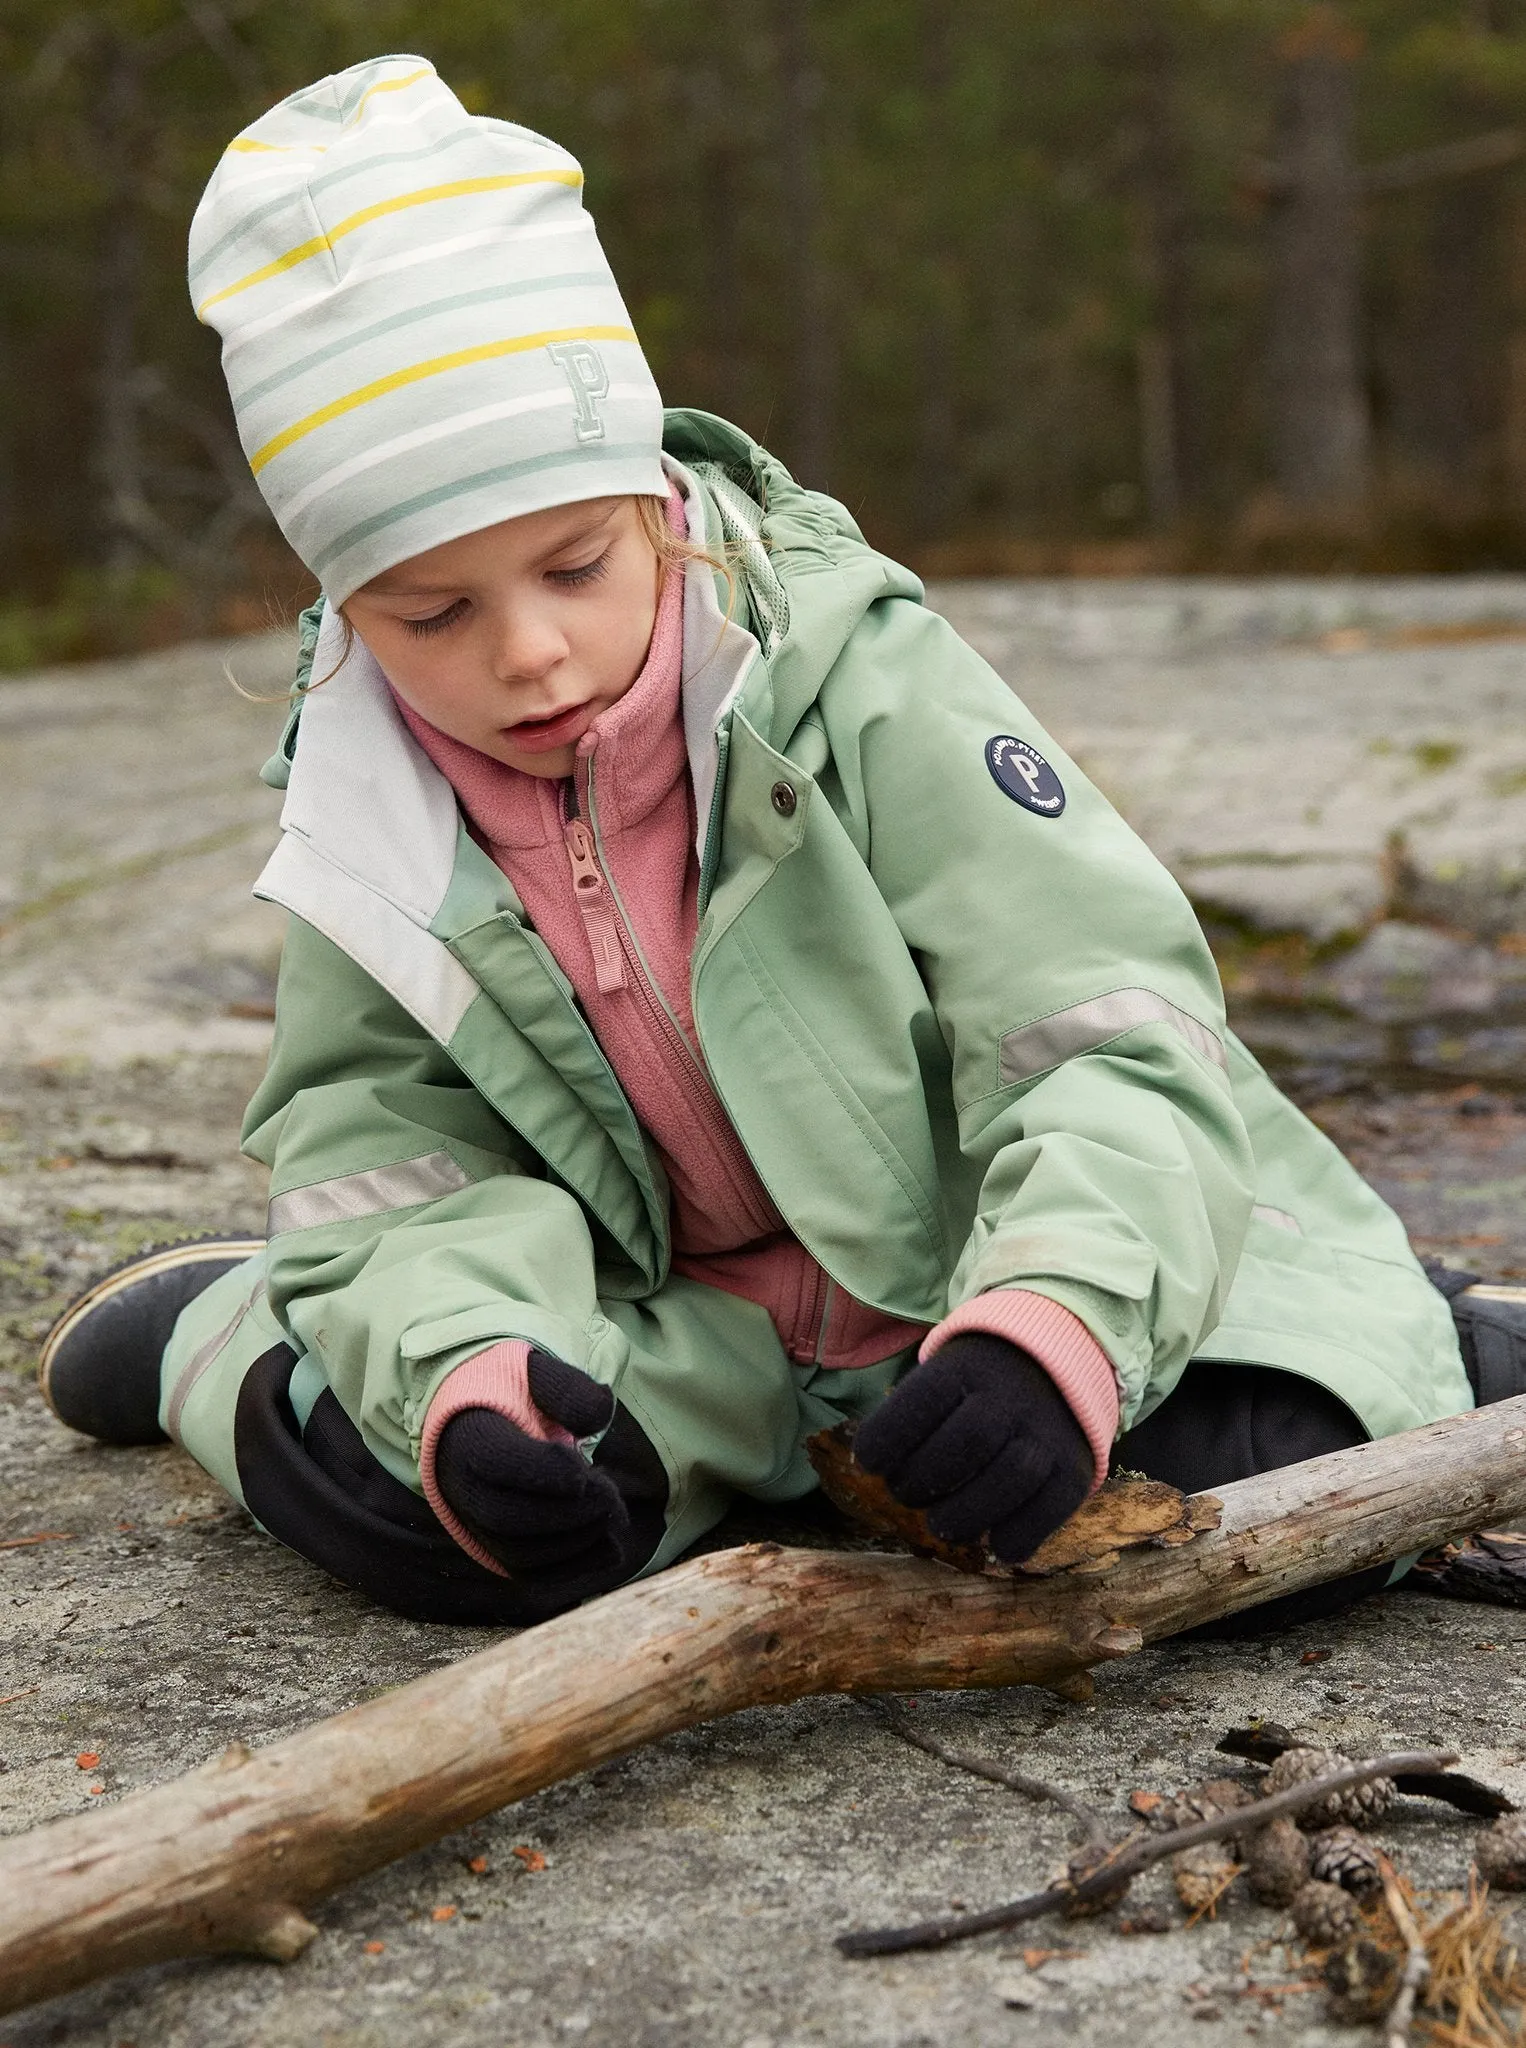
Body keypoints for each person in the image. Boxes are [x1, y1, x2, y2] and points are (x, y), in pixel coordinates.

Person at [38, 56, 1526, 1631]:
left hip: (982, 1262)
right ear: (343, 609)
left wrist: (1048, 1329)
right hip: (688, 1342)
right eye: (434, 613)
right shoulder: (370, 814)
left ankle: (1425, 1330)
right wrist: (468, 1379)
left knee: (1269, 1493)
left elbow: (1104, 1029)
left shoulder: (851, 676)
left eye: (573, 563)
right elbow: (386, 1159)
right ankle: (227, 1332)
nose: (531, 653)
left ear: (652, 498)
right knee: (443, 1530)